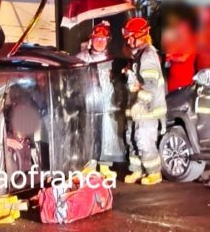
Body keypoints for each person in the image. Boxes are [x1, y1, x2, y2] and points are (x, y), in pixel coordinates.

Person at [122, 17, 167, 186]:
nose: (128, 41)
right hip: (138, 110)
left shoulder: (148, 55)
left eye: (130, 37)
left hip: (147, 110)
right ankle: (136, 170)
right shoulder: (138, 55)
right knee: (132, 139)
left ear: (139, 36)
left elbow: (150, 85)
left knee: (143, 140)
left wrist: (139, 103)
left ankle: (154, 173)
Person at [76, 21, 124, 180]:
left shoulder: (111, 59)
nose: (100, 41)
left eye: (103, 39)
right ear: (91, 39)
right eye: (97, 38)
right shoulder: (82, 57)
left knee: (107, 134)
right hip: (89, 103)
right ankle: (89, 165)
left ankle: (105, 166)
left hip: (108, 103)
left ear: (108, 40)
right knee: (89, 134)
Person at [162, 18, 197, 92]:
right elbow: (168, 54)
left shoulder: (192, 41)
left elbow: (183, 58)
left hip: (185, 79)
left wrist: (170, 57)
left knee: (183, 97)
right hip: (173, 78)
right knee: (172, 97)